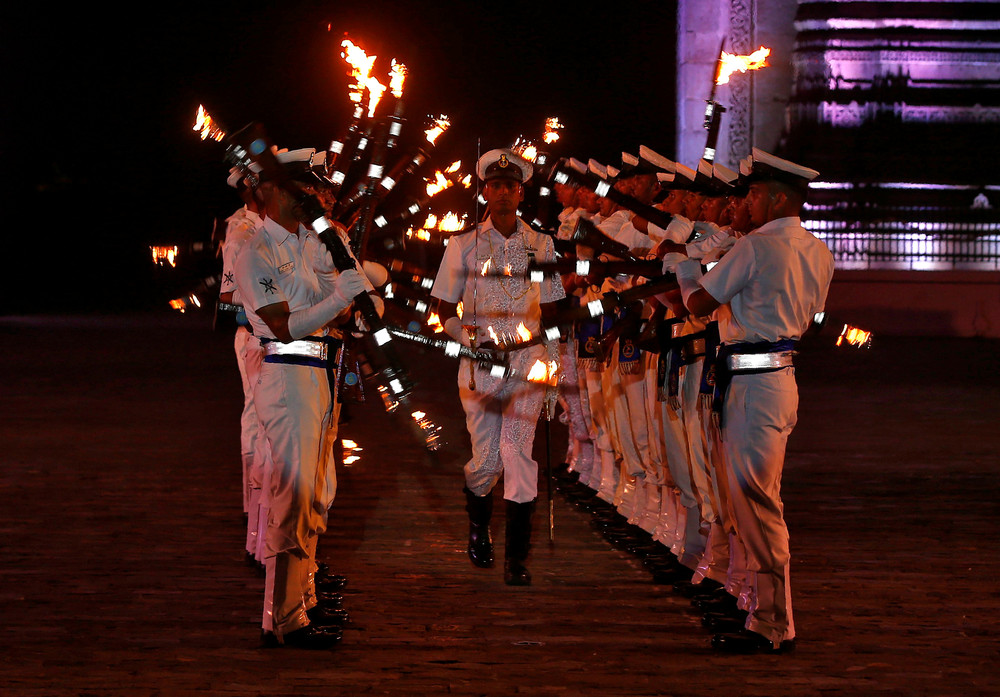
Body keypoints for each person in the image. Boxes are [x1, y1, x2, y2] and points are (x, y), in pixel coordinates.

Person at [670, 147, 834, 653]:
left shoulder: (757, 247)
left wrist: (683, 267)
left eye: (756, 194)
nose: (747, 203)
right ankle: (753, 605)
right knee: (752, 499)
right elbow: (814, 316)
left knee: (756, 504)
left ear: (779, 197)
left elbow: (700, 302)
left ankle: (771, 622)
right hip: (777, 380)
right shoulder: (817, 251)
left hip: (751, 385)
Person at [234, 148, 372, 648]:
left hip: (320, 372)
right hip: (287, 370)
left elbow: (332, 311)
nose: (309, 198)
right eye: (298, 190)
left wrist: (351, 301)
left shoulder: (309, 243)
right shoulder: (256, 250)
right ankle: (285, 618)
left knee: (315, 493)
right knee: (293, 494)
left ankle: (303, 600)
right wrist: (338, 301)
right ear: (270, 193)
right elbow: (281, 323)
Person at [431, 148, 565, 586]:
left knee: (518, 454)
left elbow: (553, 307)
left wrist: (556, 360)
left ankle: (517, 559)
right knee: (486, 459)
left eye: (510, 186)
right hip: (481, 362)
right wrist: (466, 338)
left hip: (527, 359)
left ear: (520, 192)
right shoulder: (463, 243)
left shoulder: (540, 243)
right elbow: (442, 307)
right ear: (484, 191)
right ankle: (478, 526)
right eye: (495, 185)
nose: (503, 193)